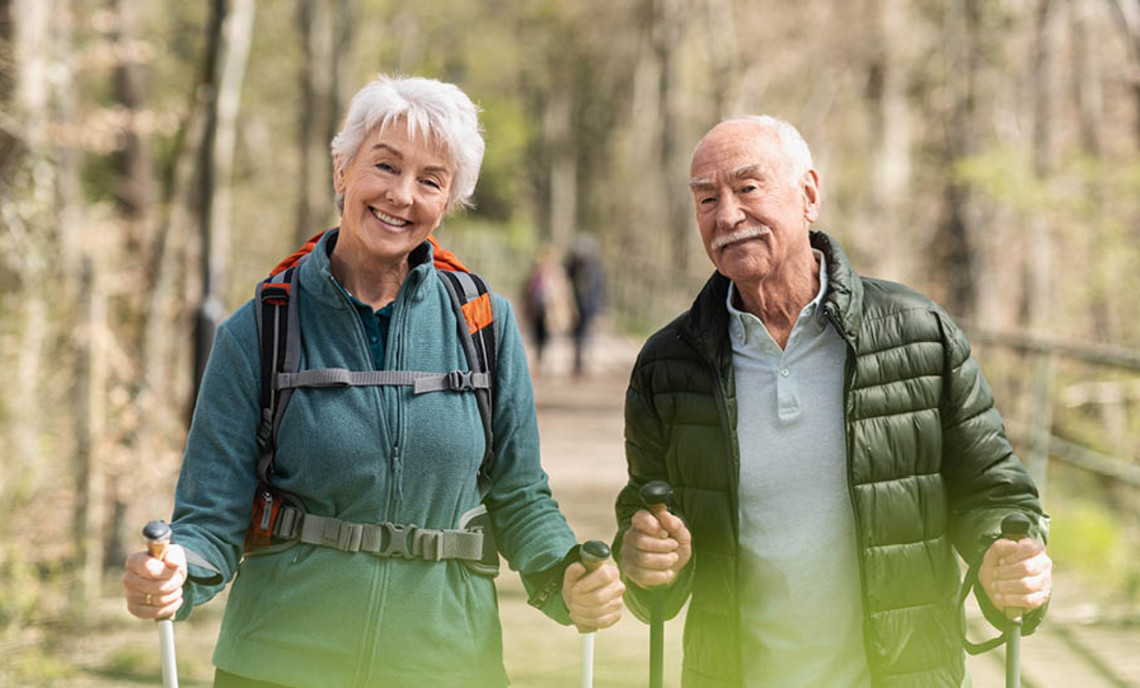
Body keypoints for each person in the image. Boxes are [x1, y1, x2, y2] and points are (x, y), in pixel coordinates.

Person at [121, 75, 624, 688]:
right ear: (341, 170)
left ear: (448, 202)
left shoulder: (484, 322)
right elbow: (208, 517)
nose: (402, 195)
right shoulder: (257, 331)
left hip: (448, 663)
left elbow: (520, 496)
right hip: (281, 664)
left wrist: (564, 573)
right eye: (384, 166)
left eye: (431, 180)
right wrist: (176, 568)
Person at [614, 116, 1052, 687]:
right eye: (706, 198)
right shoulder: (667, 365)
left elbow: (994, 491)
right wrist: (645, 559)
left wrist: (1005, 553)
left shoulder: (919, 332)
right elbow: (650, 535)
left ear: (809, 195)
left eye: (748, 188)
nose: (726, 215)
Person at [522, 243, 574, 372]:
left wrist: (569, 310)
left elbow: (565, 294)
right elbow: (526, 293)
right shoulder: (534, 275)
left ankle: (549, 363)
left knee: (550, 337)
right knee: (537, 336)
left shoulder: (558, 275)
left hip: (552, 313)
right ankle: (540, 360)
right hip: (537, 311)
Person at [564, 234, 606, 377]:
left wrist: (601, 309)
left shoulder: (595, 268)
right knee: (577, 335)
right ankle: (578, 362)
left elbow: (600, 289)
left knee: (587, 335)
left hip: (589, 308)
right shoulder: (571, 268)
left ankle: (583, 362)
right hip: (575, 307)